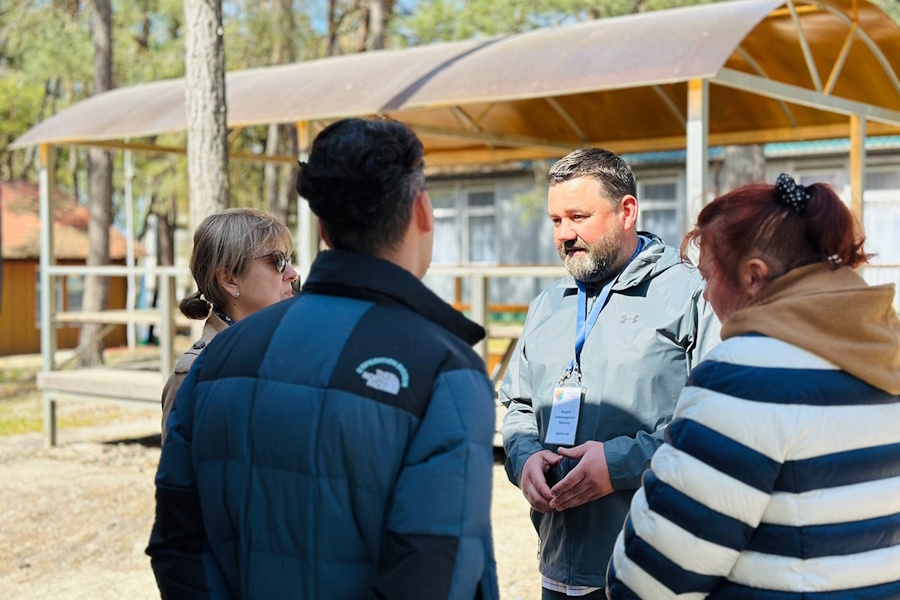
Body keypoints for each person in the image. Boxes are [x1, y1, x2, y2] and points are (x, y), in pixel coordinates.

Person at [146, 118, 500, 600]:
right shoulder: (443, 370)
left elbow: (178, 545)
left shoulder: (216, 360)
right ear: (422, 210)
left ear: (321, 226)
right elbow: (435, 573)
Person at [607, 174, 900, 599]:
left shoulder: (745, 375)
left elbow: (654, 578)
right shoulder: (883, 353)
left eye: (707, 277)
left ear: (754, 277)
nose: (704, 297)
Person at [500, 148, 720, 599]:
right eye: (556, 220)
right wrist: (523, 463)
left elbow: (714, 425)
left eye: (578, 216)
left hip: (654, 571)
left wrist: (618, 466)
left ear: (627, 211)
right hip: (558, 566)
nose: (565, 234)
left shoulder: (691, 294)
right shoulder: (548, 305)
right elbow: (519, 408)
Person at [159, 207, 298, 444]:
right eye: (278, 261)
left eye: (289, 260)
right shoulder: (198, 374)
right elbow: (182, 476)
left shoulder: (287, 352)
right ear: (229, 279)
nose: (292, 274)